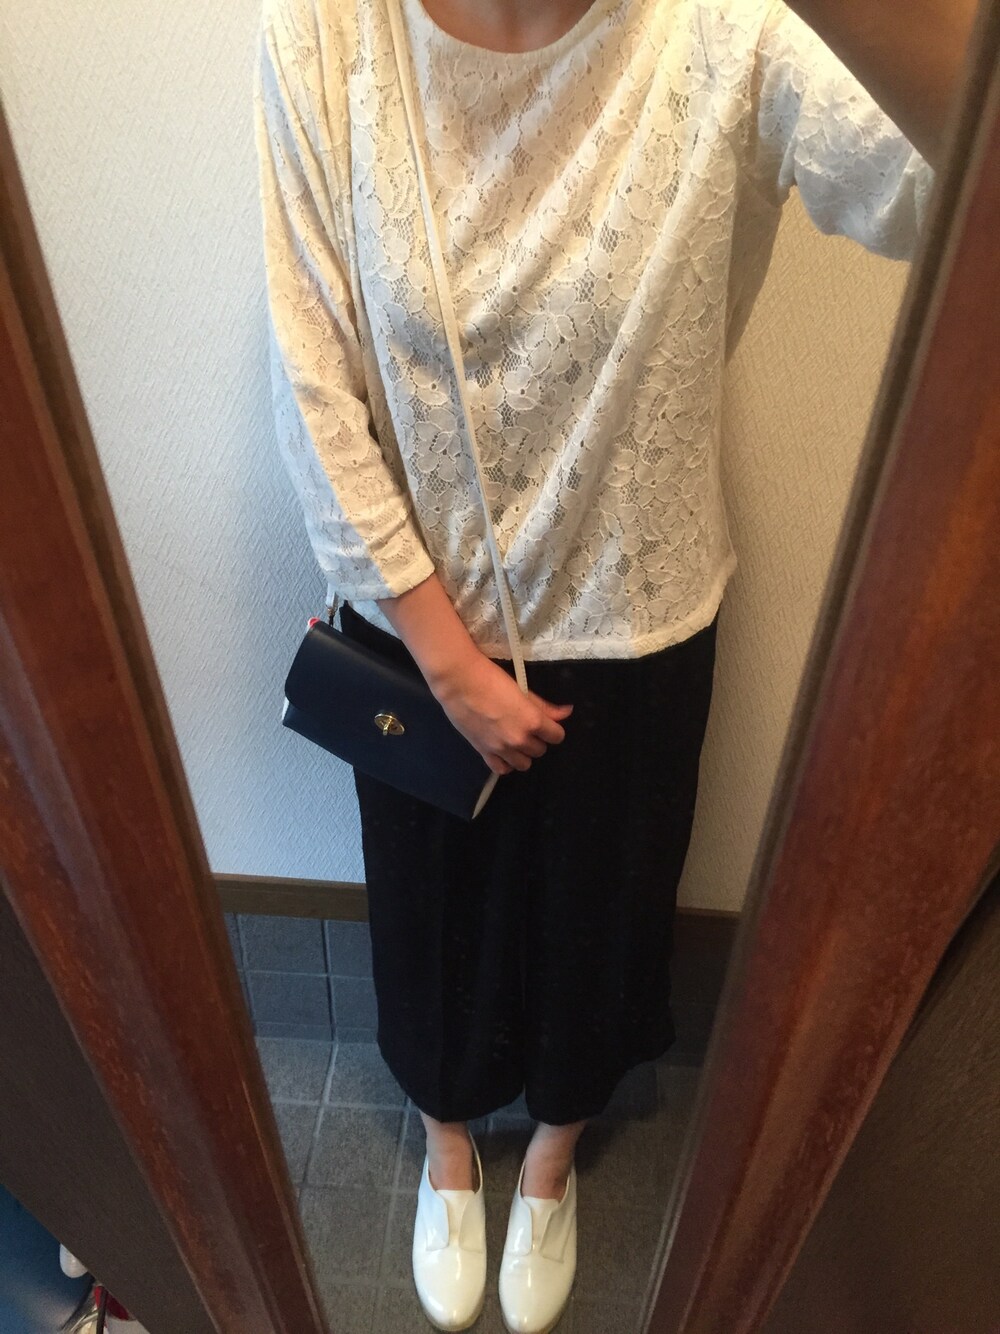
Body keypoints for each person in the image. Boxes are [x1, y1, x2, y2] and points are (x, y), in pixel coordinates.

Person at [253, 0, 969, 1328]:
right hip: (412, 626)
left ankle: (553, 1156)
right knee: (426, 915)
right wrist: (450, 664)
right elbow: (310, 377)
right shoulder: (326, 31)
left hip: (635, 605)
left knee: (606, 916)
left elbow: (944, 190)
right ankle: (451, 1141)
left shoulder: (732, 25)